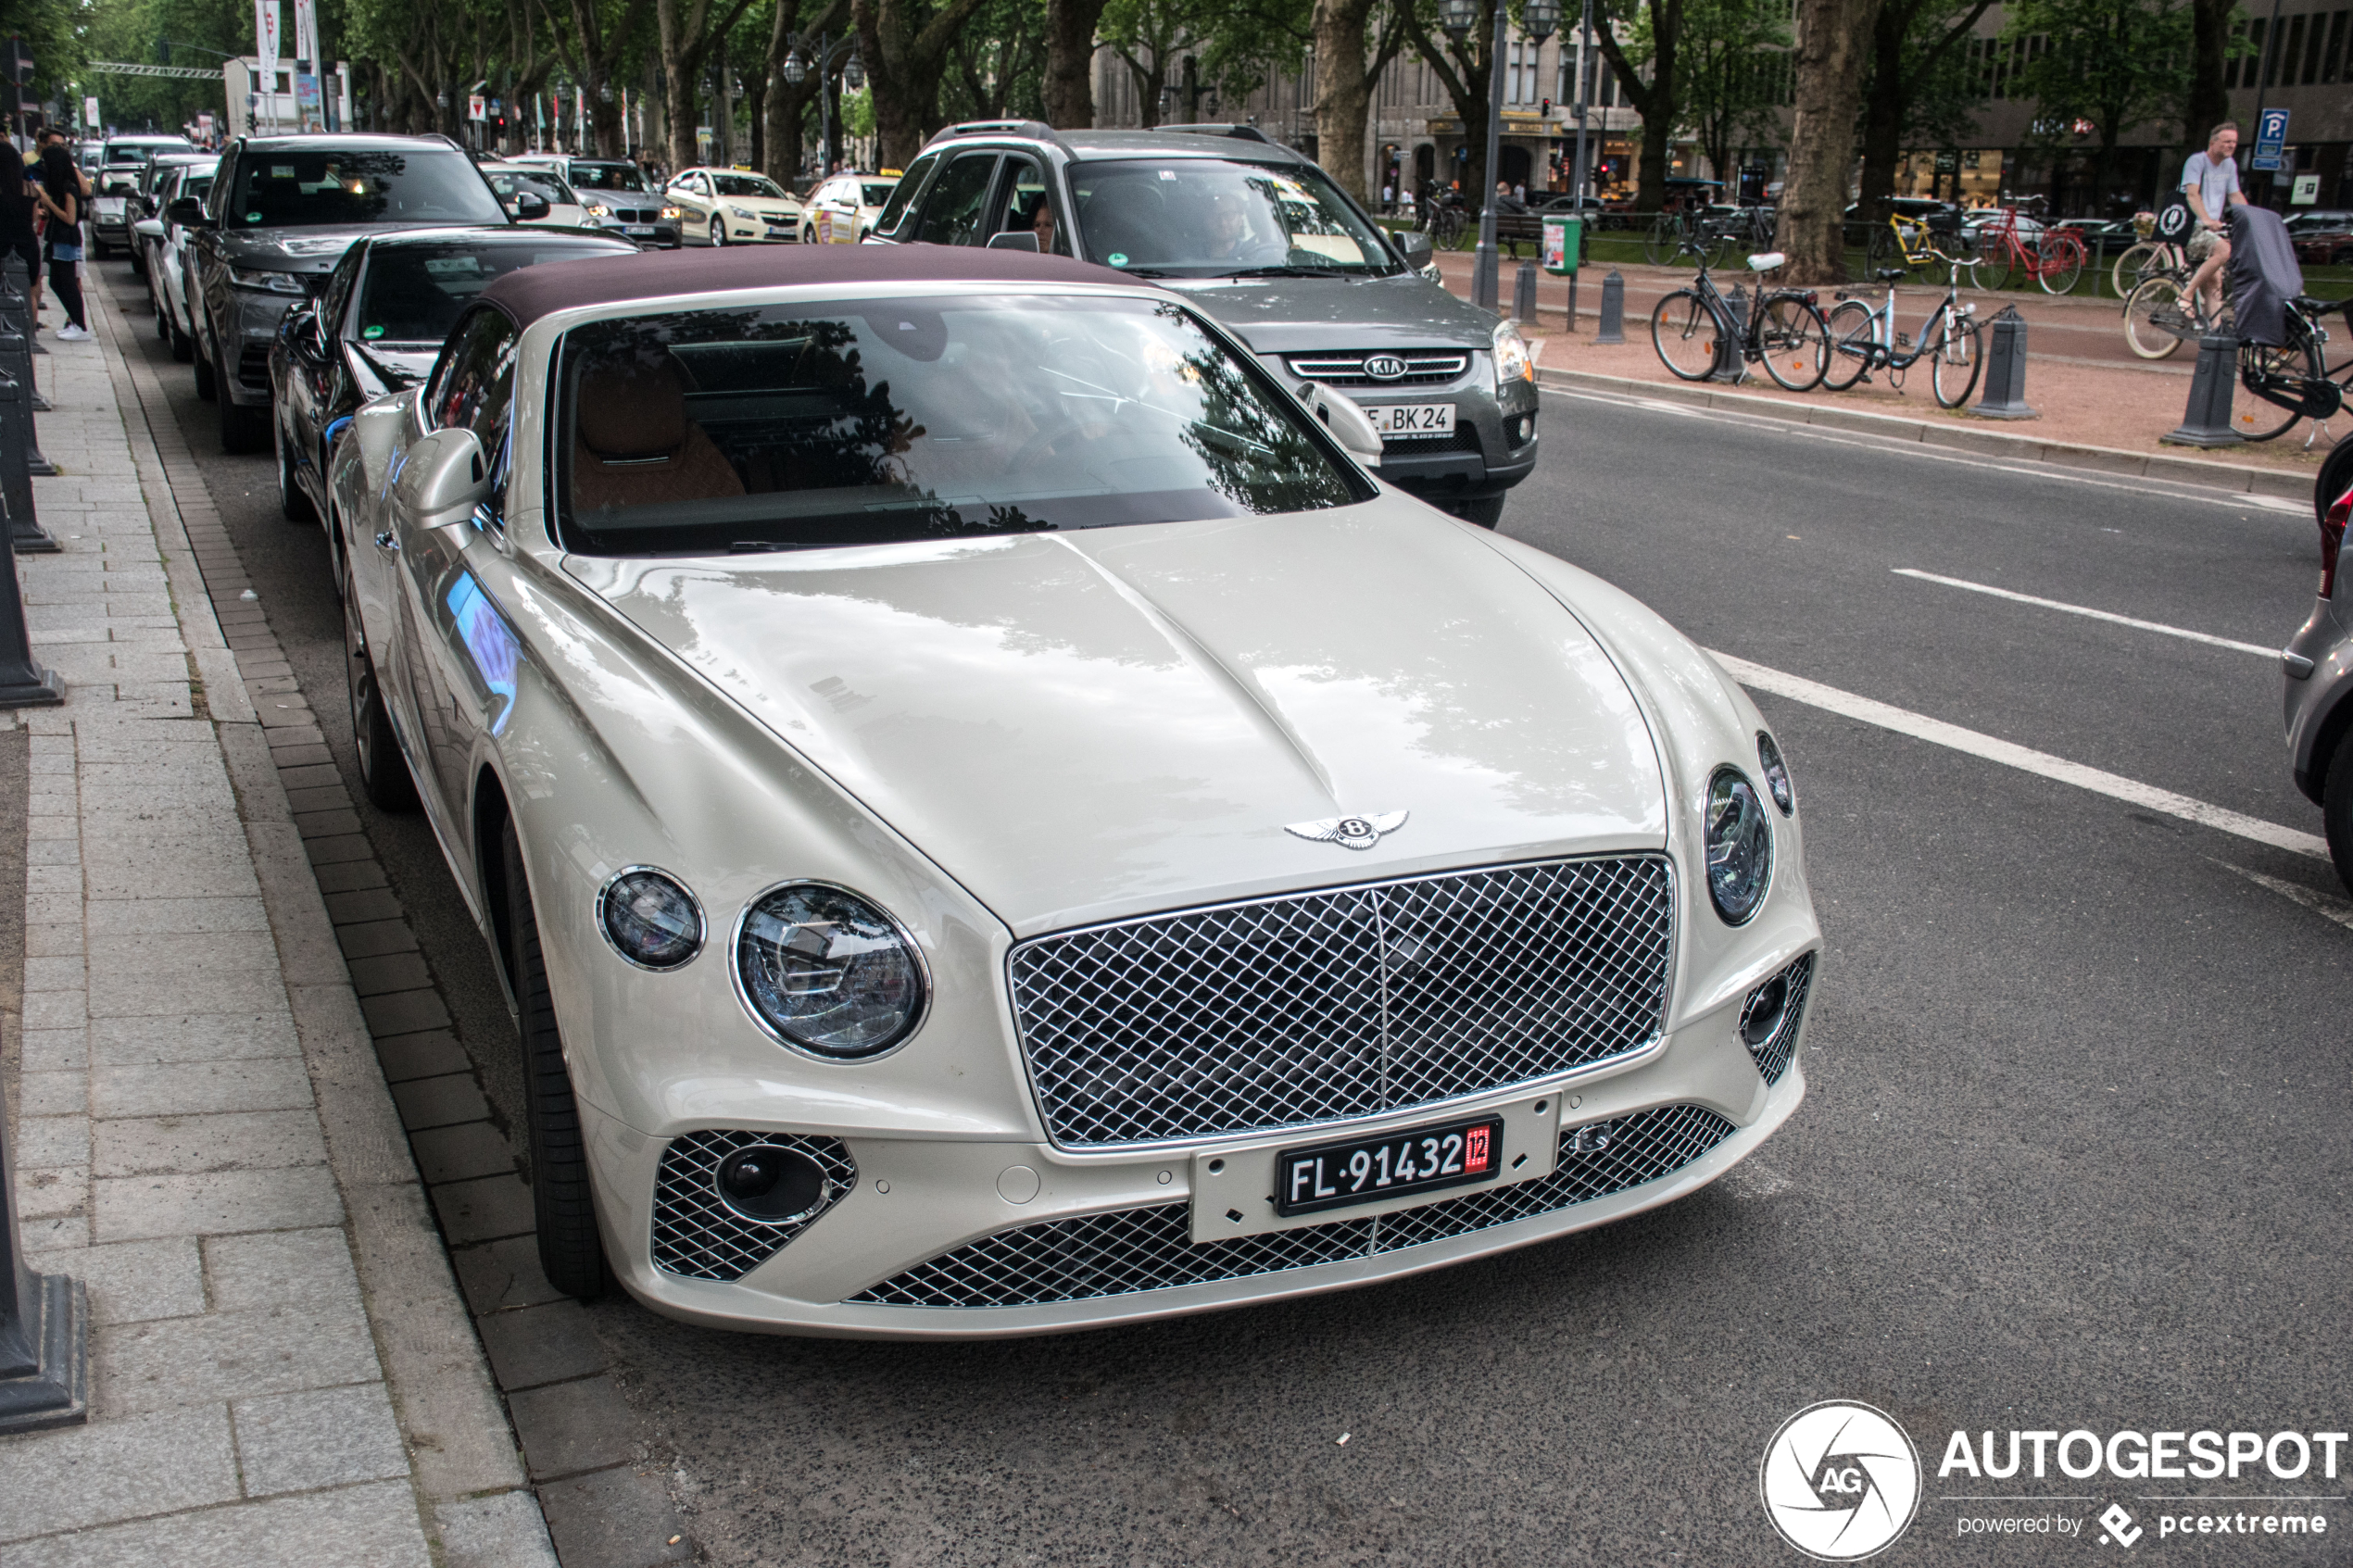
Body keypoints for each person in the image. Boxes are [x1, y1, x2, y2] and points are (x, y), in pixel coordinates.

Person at [2180, 121, 2246, 322]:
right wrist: (2206, 219)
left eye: (2234, 142)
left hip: (2211, 229)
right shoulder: (2197, 161)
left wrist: (2252, 218)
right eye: (2226, 141)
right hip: (2192, 226)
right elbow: (2192, 195)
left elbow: (2235, 196)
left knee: (2215, 280)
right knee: (2224, 251)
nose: (2231, 145)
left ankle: (2214, 333)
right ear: (2213, 142)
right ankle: (2187, 293)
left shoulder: (2230, 165)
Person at [34, 143, 88, 340]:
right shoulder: (57, 188)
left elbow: (70, 219)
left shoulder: (69, 188)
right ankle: (74, 321)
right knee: (56, 282)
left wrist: (48, 202)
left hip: (67, 240)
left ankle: (80, 325)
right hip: (56, 237)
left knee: (68, 282)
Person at [0, 141, 36, 315]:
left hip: (3, 246)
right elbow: (34, 221)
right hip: (27, 245)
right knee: (28, 294)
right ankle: (32, 334)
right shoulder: (29, 189)